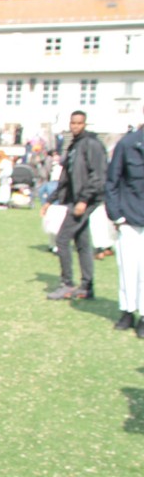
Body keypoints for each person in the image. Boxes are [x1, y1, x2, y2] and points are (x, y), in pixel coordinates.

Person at [42, 110, 107, 300]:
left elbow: (98, 175)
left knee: (62, 240)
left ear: (85, 124)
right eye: (73, 123)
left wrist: (84, 200)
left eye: (79, 123)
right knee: (82, 242)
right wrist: (50, 199)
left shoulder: (91, 144)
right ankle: (87, 286)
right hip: (75, 198)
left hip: (84, 199)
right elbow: (66, 178)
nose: (75, 126)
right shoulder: (74, 146)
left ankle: (67, 284)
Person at [106, 120, 144, 333]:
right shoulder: (128, 144)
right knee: (127, 268)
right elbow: (112, 181)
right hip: (128, 217)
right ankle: (127, 311)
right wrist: (116, 215)